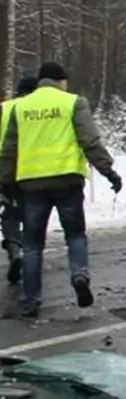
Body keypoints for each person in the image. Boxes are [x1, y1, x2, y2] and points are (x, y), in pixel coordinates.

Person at [0, 62, 122, 319]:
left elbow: (9, 151)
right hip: (67, 181)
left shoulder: (21, 107)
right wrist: (108, 171)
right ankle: (79, 275)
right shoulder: (73, 103)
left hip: (31, 184)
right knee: (75, 235)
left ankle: (31, 302)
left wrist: (5, 184)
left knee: (33, 245)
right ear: (60, 81)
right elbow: (89, 141)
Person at [0, 74, 39, 285]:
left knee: (9, 213)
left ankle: (14, 249)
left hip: (5, 170)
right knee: (33, 212)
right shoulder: (34, 109)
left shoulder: (4, 108)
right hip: (33, 169)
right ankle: (30, 253)